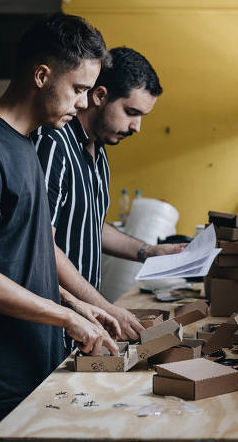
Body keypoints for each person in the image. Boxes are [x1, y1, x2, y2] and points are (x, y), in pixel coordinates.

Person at [0, 13, 121, 441]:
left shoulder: (25, 146)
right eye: (79, 89)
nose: (86, 103)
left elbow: (22, 257)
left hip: (28, 373)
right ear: (41, 75)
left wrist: (74, 302)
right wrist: (67, 319)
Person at [32, 47, 185, 343]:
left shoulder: (99, 152)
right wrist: (104, 306)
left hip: (87, 322)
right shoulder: (53, 143)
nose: (136, 127)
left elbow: (90, 225)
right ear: (99, 96)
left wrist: (149, 252)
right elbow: (43, 244)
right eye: (131, 112)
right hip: (53, 322)